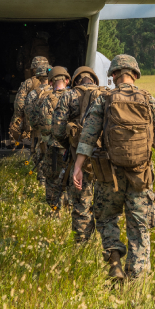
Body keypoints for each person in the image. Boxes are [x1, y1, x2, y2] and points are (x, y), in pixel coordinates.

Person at [71, 54, 155, 282]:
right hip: (140, 175)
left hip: (109, 174)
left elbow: (88, 135)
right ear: (134, 74)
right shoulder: (149, 100)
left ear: (113, 75)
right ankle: (137, 280)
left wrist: (78, 166)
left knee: (105, 219)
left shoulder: (104, 99)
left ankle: (114, 261)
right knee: (139, 227)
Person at [52, 65, 105, 243]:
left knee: (81, 203)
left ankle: (82, 243)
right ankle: (102, 241)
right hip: (103, 159)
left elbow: (57, 129)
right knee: (102, 202)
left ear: (75, 80)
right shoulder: (105, 94)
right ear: (94, 79)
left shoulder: (69, 95)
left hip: (77, 157)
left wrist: (71, 146)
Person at [26, 66, 71, 211]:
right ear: (67, 80)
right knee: (71, 176)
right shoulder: (74, 97)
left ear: (50, 82)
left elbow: (35, 122)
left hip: (51, 146)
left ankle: (55, 210)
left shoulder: (45, 99)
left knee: (52, 178)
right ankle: (69, 204)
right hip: (71, 147)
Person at [9, 56, 50, 144]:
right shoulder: (53, 82)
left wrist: (17, 120)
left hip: (32, 123)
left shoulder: (28, 82)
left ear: (34, 69)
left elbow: (19, 104)